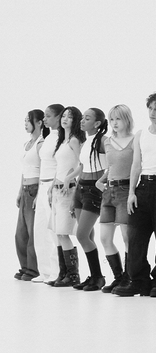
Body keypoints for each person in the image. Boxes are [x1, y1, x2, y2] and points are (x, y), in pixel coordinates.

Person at [113, 92, 156, 298]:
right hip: (142, 187)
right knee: (135, 237)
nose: (152, 112)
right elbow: (136, 165)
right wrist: (131, 193)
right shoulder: (141, 134)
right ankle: (139, 282)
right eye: (150, 108)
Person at [95, 104, 136, 293]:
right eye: (111, 119)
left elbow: (137, 167)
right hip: (108, 192)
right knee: (105, 238)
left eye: (118, 118)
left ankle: (129, 278)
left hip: (125, 190)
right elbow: (110, 167)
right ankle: (118, 277)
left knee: (127, 238)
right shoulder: (108, 142)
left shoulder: (135, 140)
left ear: (126, 119)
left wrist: (132, 192)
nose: (114, 123)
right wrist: (101, 181)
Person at [49, 106, 86, 287]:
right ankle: (63, 273)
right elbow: (60, 167)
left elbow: (83, 165)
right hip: (57, 190)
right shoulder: (62, 141)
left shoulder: (74, 140)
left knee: (63, 232)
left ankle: (73, 275)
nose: (65, 119)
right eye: (63, 116)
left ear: (75, 120)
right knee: (58, 232)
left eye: (69, 117)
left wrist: (69, 178)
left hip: (68, 191)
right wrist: (51, 186)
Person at [72, 108, 108, 291]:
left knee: (82, 235)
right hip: (81, 188)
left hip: (93, 190)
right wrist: (75, 193)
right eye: (82, 118)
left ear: (97, 123)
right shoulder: (87, 141)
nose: (82, 121)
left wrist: (102, 183)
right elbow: (83, 166)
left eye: (87, 118)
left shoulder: (103, 140)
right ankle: (94, 276)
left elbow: (113, 163)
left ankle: (99, 277)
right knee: (87, 236)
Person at [33, 105, 63, 284]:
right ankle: (44, 272)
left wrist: (53, 187)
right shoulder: (48, 137)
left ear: (58, 117)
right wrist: (39, 192)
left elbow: (63, 164)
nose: (44, 119)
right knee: (40, 230)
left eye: (48, 116)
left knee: (54, 231)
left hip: (53, 186)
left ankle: (57, 272)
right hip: (42, 186)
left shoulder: (62, 138)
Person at [16, 109, 46, 281]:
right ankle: (25, 266)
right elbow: (24, 170)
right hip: (25, 189)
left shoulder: (41, 144)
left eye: (29, 120)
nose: (26, 124)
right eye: (25, 120)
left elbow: (43, 170)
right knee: (20, 233)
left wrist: (39, 194)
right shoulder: (27, 144)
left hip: (35, 189)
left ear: (39, 122)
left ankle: (34, 269)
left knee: (32, 232)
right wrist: (20, 191)